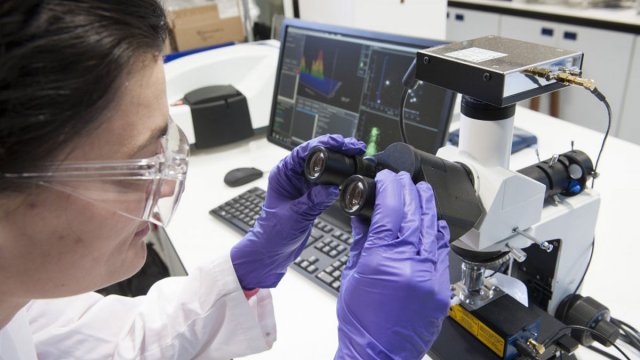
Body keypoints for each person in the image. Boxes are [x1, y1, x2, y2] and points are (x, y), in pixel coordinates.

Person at [0, 1, 451, 359]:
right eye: (139, 166)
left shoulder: (17, 303)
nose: (167, 187)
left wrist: (246, 270)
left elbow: (123, 344)